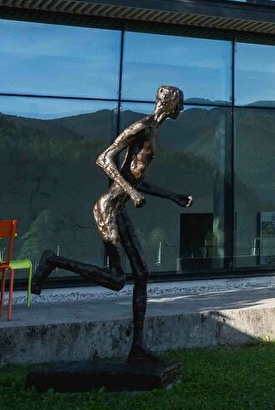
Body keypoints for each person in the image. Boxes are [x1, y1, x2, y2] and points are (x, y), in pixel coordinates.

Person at [32, 84, 194, 364]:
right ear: (166, 102)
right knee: (118, 280)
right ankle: (52, 261)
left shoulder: (155, 132)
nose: (181, 108)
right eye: (179, 102)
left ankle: (138, 347)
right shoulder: (142, 126)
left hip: (121, 211)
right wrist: (130, 193)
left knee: (142, 274)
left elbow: (136, 179)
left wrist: (172, 197)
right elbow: (104, 158)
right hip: (108, 208)